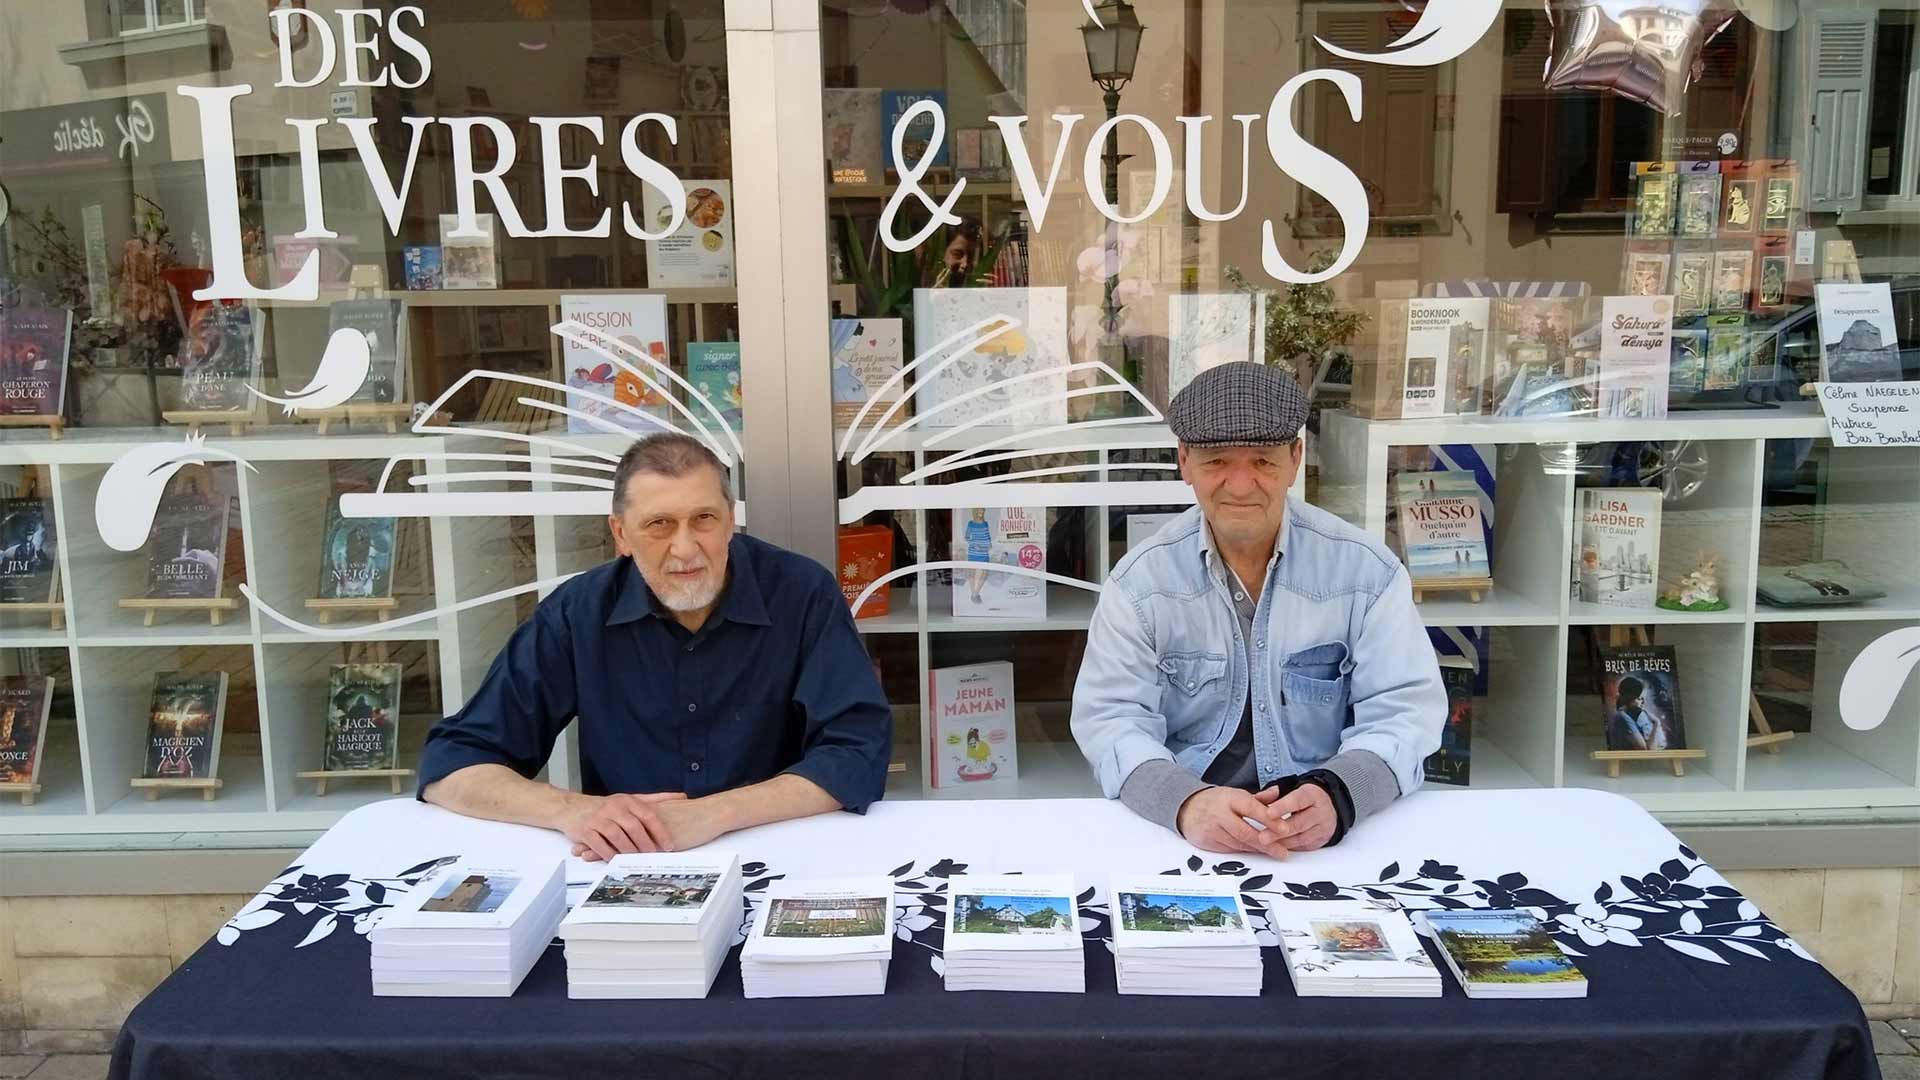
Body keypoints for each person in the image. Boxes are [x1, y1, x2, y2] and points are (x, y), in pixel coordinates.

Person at [418, 433, 892, 859]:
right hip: (625, 862)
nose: (685, 549)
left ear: (730, 521)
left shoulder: (802, 593)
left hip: (780, 850)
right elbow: (454, 762)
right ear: (621, 534)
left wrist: (713, 814)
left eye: (703, 519)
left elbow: (858, 750)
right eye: (659, 524)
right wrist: (576, 812)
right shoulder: (578, 613)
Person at [1072, 362, 1444, 856]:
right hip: (1184, 836)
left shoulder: (1367, 573)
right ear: (1184, 461)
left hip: (1330, 837)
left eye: (1263, 461)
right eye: (1216, 461)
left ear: (1296, 457)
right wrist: (1183, 802)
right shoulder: (1139, 584)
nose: (1241, 485)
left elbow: (1407, 712)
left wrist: (1342, 792)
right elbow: (1111, 720)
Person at [1606, 677, 1659, 751]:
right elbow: (1645, 750)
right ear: (1629, 698)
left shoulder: (1633, 717)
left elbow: (1651, 749)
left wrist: (1656, 723)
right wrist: (1656, 724)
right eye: (1640, 699)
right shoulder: (1623, 717)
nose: (1643, 702)